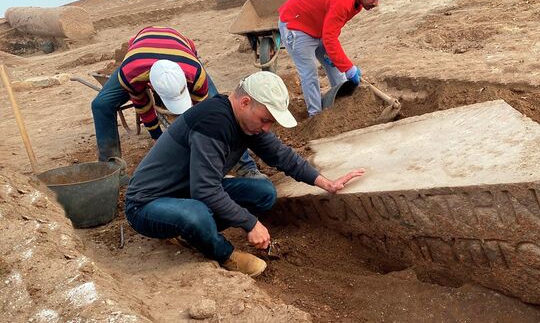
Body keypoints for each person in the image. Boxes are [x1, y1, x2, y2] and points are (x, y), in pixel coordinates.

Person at [125, 71, 365, 277]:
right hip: (147, 205)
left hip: (186, 194)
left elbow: (281, 155)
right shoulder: (213, 123)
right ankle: (225, 255)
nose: (266, 128)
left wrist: (326, 183)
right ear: (245, 102)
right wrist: (250, 224)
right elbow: (205, 190)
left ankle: (195, 233)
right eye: (265, 120)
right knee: (196, 213)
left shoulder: (246, 122)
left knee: (263, 192)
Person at [91, 26, 265, 182]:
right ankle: (112, 172)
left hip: (181, 49)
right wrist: (157, 137)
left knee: (220, 109)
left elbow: (211, 115)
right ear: (150, 85)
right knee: (100, 105)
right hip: (140, 55)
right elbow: (142, 105)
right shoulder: (131, 73)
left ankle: (246, 167)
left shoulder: (195, 74)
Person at [278, 0, 389, 116]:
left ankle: (344, 106)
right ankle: (315, 116)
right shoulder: (344, 0)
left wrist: (339, 62)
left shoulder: (358, 0)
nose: (376, 3)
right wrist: (349, 67)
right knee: (309, 72)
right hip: (295, 24)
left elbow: (331, 32)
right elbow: (330, 38)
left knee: (337, 69)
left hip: (318, 27)